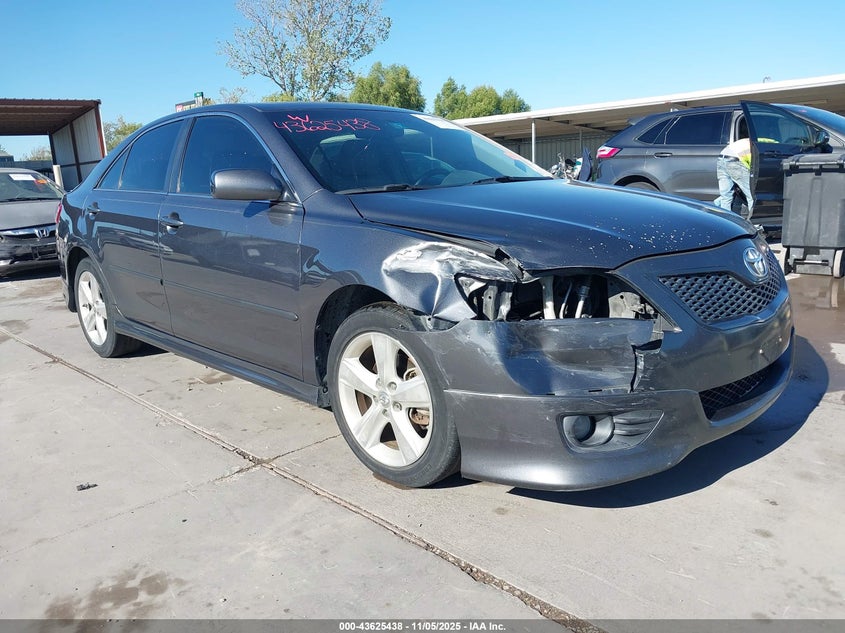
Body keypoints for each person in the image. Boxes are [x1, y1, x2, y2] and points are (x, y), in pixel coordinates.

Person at [714, 137, 753, 218]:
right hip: (735, 160)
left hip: (721, 158)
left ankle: (726, 221)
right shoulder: (760, 147)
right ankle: (754, 221)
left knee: (726, 197)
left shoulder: (750, 141)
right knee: (751, 195)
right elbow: (753, 166)